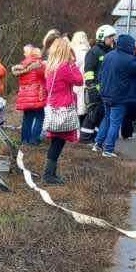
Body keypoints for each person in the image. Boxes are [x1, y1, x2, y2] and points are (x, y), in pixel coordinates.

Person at [93, 34, 136, 157]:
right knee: (115, 123)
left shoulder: (108, 55)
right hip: (119, 96)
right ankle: (108, 149)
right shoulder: (129, 60)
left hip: (106, 93)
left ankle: (98, 143)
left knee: (107, 119)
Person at [40, 38, 84, 184]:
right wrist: (73, 64)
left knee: (56, 141)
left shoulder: (50, 67)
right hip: (63, 107)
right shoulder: (64, 67)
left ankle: (50, 173)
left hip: (54, 106)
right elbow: (79, 81)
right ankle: (49, 175)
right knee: (58, 142)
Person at [80, 24, 118, 142]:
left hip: (106, 90)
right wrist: (91, 86)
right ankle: (85, 138)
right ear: (103, 37)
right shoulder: (94, 52)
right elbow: (89, 70)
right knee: (93, 114)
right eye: (110, 37)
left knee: (101, 115)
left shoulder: (110, 51)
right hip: (95, 89)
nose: (112, 39)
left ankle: (95, 138)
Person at [13, 45, 46, 146]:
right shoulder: (39, 64)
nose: (24, 54)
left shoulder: (22, 65)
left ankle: (24, 139)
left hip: (25, 95)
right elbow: (45, 77)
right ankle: (34, 139)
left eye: (25, 52)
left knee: (27, 117)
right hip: (37, 94)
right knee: (40, 116)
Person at [69, 31, 91, 118]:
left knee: (76, 105)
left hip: (76, 81)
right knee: (84, 106)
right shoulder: (89, 52)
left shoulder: (74, 53)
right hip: (86, 81)